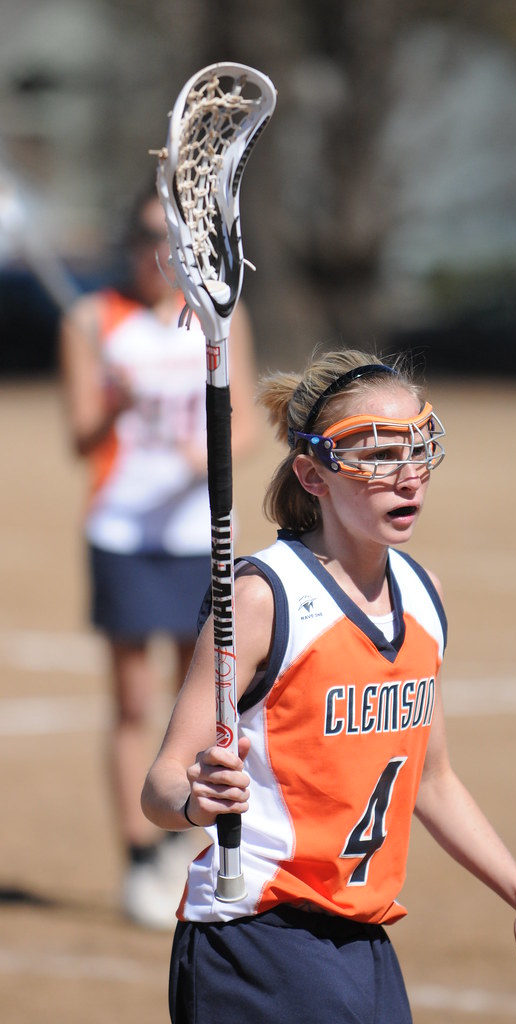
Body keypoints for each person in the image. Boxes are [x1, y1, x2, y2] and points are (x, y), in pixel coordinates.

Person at [141, 350, 516, 1022]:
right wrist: (197, 800)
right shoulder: (264, 599)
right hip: (256, 936)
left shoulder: (423, 597)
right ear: (313, 475)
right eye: (377, 455)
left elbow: (432, 780)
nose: (407, 475)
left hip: (364, 940)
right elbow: (161, 787)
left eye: (416, 449)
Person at [59, 184, 258, 930]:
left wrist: (201, 459)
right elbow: (80, 437)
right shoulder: (90, 321)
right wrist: (113, 403)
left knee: (199, 705)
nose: (158, 251)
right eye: (146, 235)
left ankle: (185, 842)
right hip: (122, 532)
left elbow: (242, 424)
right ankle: (139, 855)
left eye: (169, 237)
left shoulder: (217, 316)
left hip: (197, 537)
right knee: (134, 703)